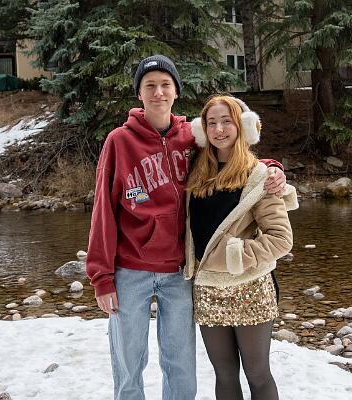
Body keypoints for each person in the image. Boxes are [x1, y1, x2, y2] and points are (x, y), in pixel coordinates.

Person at [86, 55, 288, 400]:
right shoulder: (119, 141)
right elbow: (103, 210)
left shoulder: (189, 138)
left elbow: (230, 152)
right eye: (150, 85)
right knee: (129, 363)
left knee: (179, 363)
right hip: (130, 268)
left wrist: (271, 167)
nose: (158, 92)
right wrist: (101, 277)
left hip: (179, 271)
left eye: (165, 85)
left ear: (176, 91)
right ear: (139, 93)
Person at [185, 95, 298, 400]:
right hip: (208, 288)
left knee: (257, 373)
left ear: (241, 126)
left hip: (250, 288)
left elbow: (281, 238)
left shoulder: (259, 175)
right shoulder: (195, 171)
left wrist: (236, 256)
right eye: (211, 123)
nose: (219, 129)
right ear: (203, 129)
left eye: (227, 121)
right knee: (223, 374)